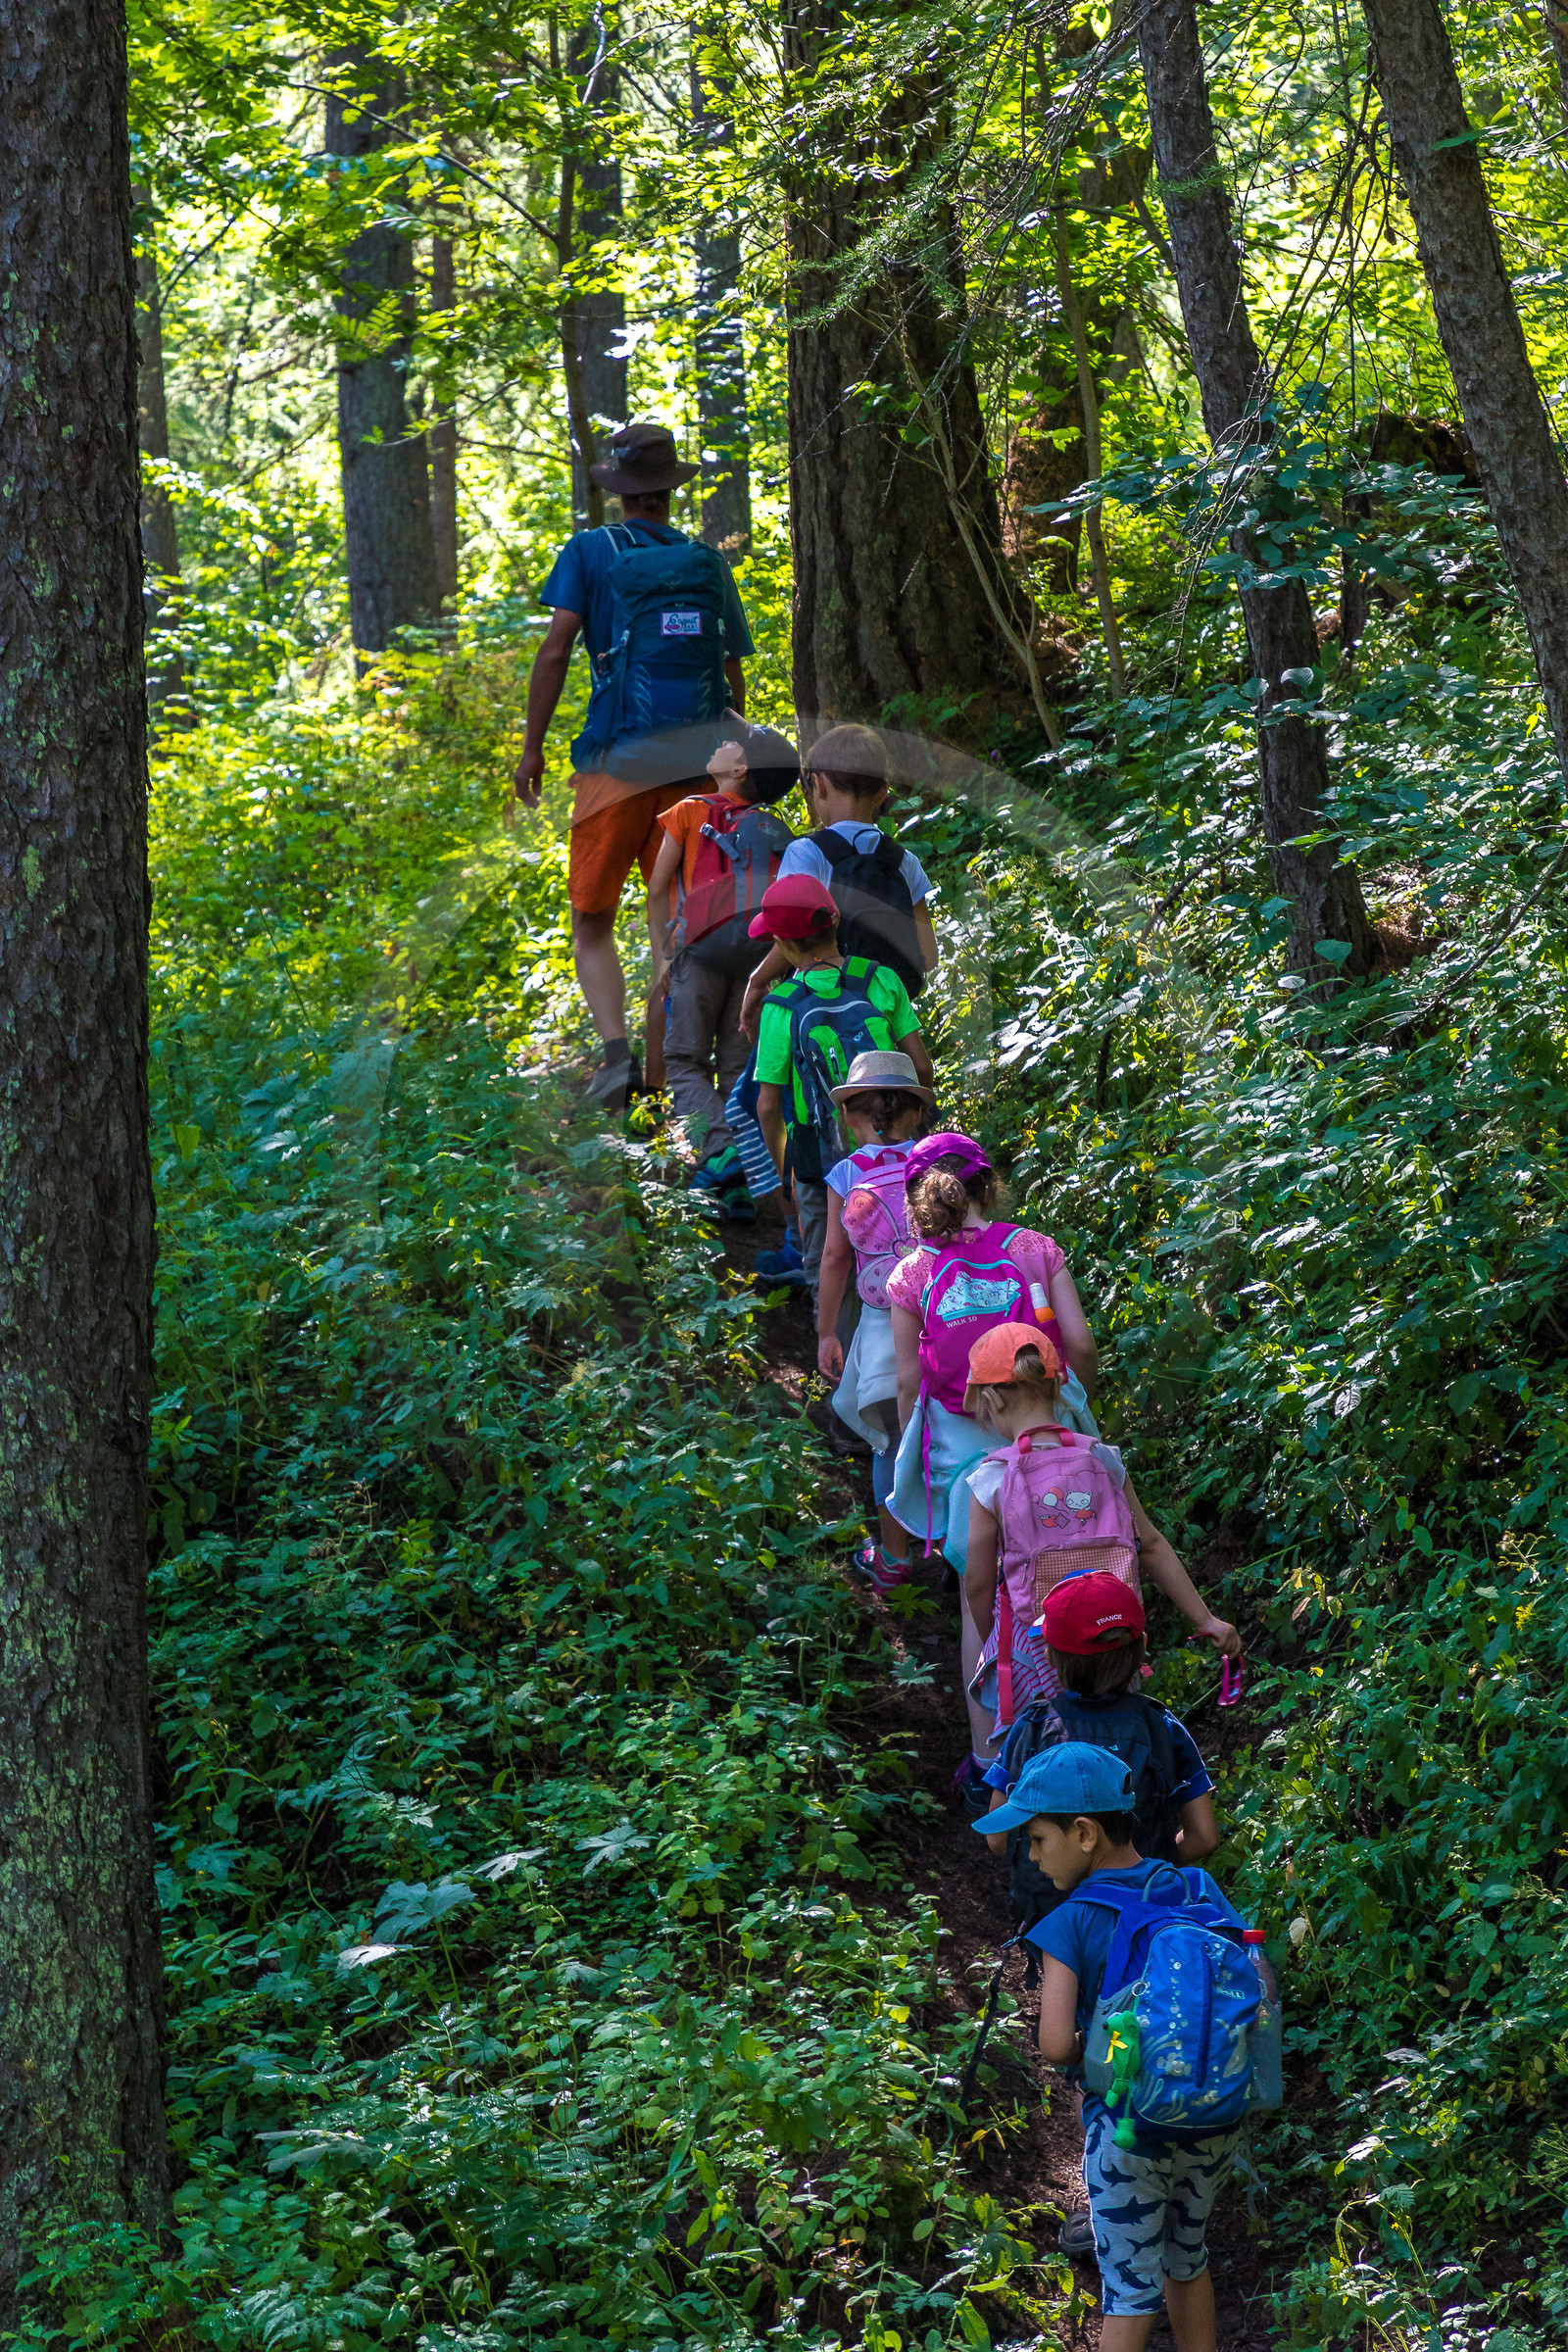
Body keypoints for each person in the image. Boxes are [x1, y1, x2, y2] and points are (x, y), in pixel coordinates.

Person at [980, 1574, 1229, 2261]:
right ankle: (1173, 2151)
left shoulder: (1032, 1726)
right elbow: (1202, 1837)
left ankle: (1108, 2194)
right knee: (1150, 2024)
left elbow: (1000, 1837)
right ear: (1140, 1647)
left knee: (1086, 2046)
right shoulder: (1162, 1727)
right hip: (1147, 1915)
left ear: (1052, 1659)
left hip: (1062, 1923)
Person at [512, 421, 757, 1109]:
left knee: (592, 919)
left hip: (613, 765)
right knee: (675, 925)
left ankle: (617, 1057)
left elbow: (558, 650)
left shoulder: (589, 550)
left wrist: (532, 749)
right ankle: (663, 1077)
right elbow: (732, 676)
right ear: (669, 492)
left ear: (619, 491)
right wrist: (729, 772)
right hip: (694, 772)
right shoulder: (707, 564)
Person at [979, 1743, 1251, 2352]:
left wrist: (1097, 2045)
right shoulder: (1195, 1887)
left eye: (1037, 1838)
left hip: (1128, 2131)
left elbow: (1053, 2045)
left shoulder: (1070, 1920)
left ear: (1083, 1832)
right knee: (1187, 2258)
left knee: (1129, 2292)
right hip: (1213, 2120)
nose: (1029, 1855)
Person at [883, 1131, 1098, 1809]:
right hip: (1045, 1421)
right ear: (987, 1185)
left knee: (984, 1588)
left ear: (919, 1200)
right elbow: (1082, 1344)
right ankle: (1084, 1733)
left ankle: (988, 1761)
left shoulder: (913, 1273)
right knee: (1067, 1564)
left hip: (957, 1439)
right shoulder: (1033, 1250)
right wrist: (1072, 1408)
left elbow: (909, 1379)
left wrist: (918, 1443)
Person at [961, 1331, 1241, 1733]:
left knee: (1030, 1755)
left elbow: (977, 1582)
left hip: (1040, 1649)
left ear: (992, 1399)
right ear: (1058, 1384)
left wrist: (996, 1639)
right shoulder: (1101, 1458)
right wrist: (1206, 1618)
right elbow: (1152, 1544)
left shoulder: (992, 1477)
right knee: (1113, 1736)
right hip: (1112, 1639)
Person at [749, 875, 935, 1305]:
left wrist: (787, 1175)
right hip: (897, 1152)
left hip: (820, 1159)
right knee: (914, 1257)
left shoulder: (781, 1006)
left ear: (784, 943)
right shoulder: (881, 980)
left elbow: (767, 1105)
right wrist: (914, 1133)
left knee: (827, 1262)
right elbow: (921, 1066)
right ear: (835, 924)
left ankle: (836, 1358)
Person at [644, 722, 799, 1213]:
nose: (721, 744)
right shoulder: (775, 827)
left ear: (740, 769)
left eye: (732, 744)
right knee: (736, 1068)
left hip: (699, 952)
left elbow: (657, 889)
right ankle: (745, 1185)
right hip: (755, 956)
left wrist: (661, 957)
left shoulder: (690, 811)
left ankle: (723, 1150)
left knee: (684, 1061)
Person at [814, 1050, 935, 1592]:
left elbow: (836, 1258)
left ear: (849, 1116)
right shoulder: (935, 1165)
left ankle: (894, 1557)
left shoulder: (846, 1175)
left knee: (889, 1441)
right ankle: (962, 1553)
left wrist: (824, 1332)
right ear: (915, 1113)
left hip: (885, 1325)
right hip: (945, 1316)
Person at [740, 724, 940, 1038]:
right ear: (882, 792)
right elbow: (928, 954)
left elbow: (792, 929)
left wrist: (757, 979)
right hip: (888, 1017)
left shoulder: (807, 853)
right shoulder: (905, 861)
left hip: (823, 1016)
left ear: (818, 786)